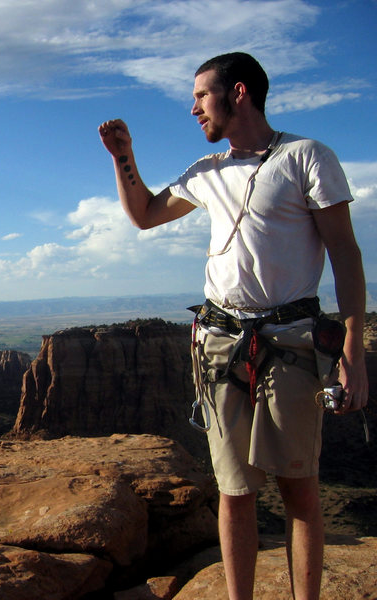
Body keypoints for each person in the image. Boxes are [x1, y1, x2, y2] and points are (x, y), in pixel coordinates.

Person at [98, 52, 368, 600]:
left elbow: (345, 254)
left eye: (200, 96)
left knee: (299, 491)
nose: (193, 107)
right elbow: (145, 214)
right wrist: (124, 158)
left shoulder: (306, 157)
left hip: (289, 342)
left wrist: (353, 354)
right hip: (220, 344)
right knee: (234, 490)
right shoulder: (207, 173)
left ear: (238, 92)